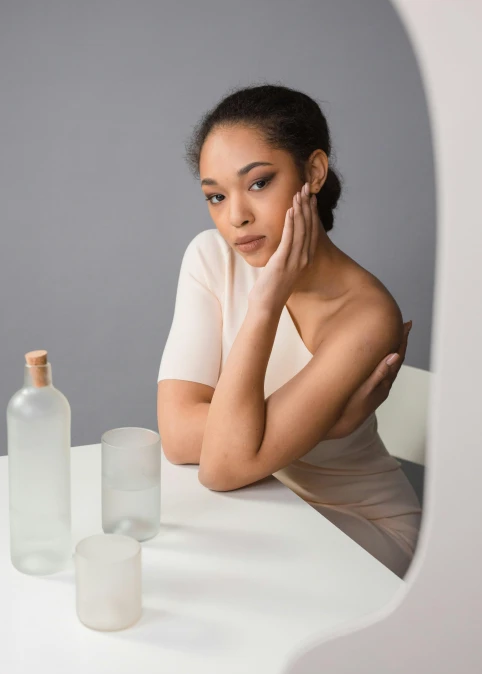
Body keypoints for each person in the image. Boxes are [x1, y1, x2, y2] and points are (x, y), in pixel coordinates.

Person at [157, 83, 422, 579]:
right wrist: (327, 424)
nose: (235, 217)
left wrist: (265, 304)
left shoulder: (366, 315)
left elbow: (222, 466)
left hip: (361, 525)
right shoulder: (209, 258)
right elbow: (175, 436)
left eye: (258, 183)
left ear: (314, 172)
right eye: (215, 196)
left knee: (213, 575)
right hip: (262, 506)